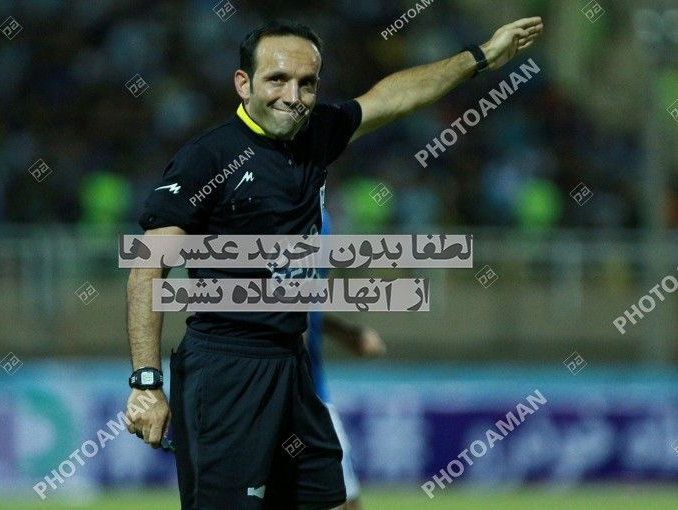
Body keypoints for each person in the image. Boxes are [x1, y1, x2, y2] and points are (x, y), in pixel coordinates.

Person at [124, 17, 544, 510]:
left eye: (307, 83)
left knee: (332, 501)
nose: (293, 96)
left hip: (291, 367)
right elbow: (148, 268)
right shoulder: (208, 158)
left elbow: (394, 97)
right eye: (277, 79)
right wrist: (146, 382)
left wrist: (481, 57)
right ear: (243, 84)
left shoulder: (316, 133)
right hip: (227, 372)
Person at [305, 210, 387, 510]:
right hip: (295, 391)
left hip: (305, 388)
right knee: (342, 499)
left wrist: (346, 333)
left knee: (345, 499)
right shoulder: (299, 217)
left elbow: (303, 304)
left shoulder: (320, 218)